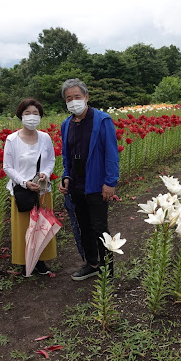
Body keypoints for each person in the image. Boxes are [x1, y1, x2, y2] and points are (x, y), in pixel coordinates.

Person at [58, 78, 120, 281]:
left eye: (77, 97)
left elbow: (111, 154)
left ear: (86, 97)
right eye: (69, 98)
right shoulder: (66, 124)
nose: (73, 101)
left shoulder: (102, 121)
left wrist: (110, 182)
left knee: (100, 227)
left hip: (97, 185)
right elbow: (66, 156)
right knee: (84, 226)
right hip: (76, 185)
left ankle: (107, 269)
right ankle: (92, 264)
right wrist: (65, 176)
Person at [3, 98, 56, 275]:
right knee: (25, 228)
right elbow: (7, 167)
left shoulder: (45, 138)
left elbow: (51, 161)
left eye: (35, 113)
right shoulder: (12, 139)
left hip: (42, 190)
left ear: (40, 116)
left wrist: (45, 174)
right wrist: (24, 182)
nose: (32, 117)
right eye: (27, 113)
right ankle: (25, 262)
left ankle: (40, 261)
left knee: (42, 225)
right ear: (20, 116)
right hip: (22, 192)